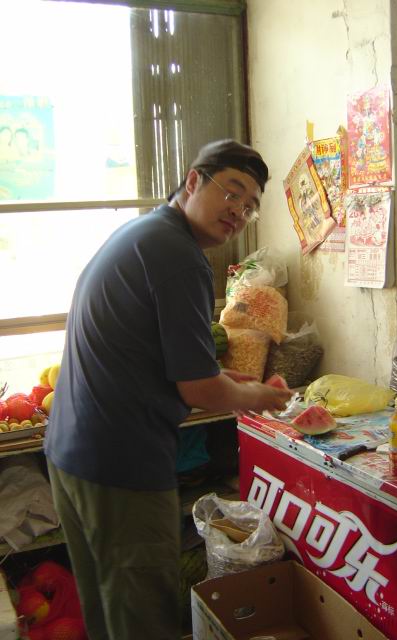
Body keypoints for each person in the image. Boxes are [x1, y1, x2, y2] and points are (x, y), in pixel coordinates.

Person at [44, 139, 293, 640]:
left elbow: (160, 358)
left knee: (106, 610)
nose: (239, 211)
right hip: (121, 466)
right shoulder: (180, 256)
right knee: (143, 617)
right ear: (194, 180)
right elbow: (199, 389)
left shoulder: (145, 233)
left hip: (73, 453)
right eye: (232, 191)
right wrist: (259, 398)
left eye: (250, 205)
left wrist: (225, 381)